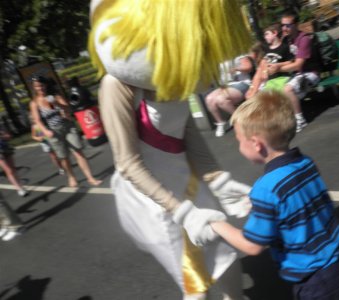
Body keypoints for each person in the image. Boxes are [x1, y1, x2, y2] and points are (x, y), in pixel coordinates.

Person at [89, 0, 253, 299]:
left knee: (225, 255)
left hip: (187, 180)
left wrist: (218, 179)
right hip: (151, 199)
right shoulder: (118, 86)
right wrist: (180, 211)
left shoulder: (174, 76)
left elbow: (189, 136)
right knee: (194, 281)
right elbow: (127, 163)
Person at [210, 90, 339, 300]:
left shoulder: (266, 188)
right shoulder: (305, 163)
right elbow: (299, 205)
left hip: (314, 281)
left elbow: (252, 245)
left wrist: (216, 224)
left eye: (239, 140)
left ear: (256, 144)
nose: (238, 146)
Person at [29, 76, 102, 188]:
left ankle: (90, 178)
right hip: (53, 131)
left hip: (67, 126)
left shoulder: (55, 96)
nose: (40, 88)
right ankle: (71, 177)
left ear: (46, 85)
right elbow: (37, 120)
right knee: (64, 157)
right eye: (37, 86)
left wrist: (56, 103)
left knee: (78, 151)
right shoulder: (34, 103)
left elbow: (68, 108)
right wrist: (45, 131)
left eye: (42, 85)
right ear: (34, 88)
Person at [267, 12, 322, 133]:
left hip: (310, 73)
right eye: (283, 25)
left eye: (288, 25)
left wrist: (278, 68)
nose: (284, 28)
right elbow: (290, 61)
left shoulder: (304, 39)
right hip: (297, 74)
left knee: (288, 90)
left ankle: (300, 120)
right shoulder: (288, 40)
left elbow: (298, 64)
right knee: (274, 89)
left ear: (296, 25)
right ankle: (282, 120)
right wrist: (277, 65)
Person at [205, 43, 265, 137]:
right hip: (227, 85)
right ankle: (220, 122)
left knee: (221, 99)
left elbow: (248, 67)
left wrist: (236, 68)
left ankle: (240, 120)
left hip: (242, 84)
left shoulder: (238, 56)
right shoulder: (219, 59)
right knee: (209, 99)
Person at [245, 23, 292, 99]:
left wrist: (278, 65)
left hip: (281, 78)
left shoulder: (284, 47)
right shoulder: (267, 49)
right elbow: (261, 68)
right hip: (268, 81)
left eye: (267, 34)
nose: (265, 37)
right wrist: (253, 88)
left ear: (275, 33)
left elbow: (290, 61)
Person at [0, 126, 28, 197]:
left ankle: (20, 185)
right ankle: (19, 189)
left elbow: (9, 136)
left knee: (13, 169)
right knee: (8, 170)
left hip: (5, 148)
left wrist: (5, 136)